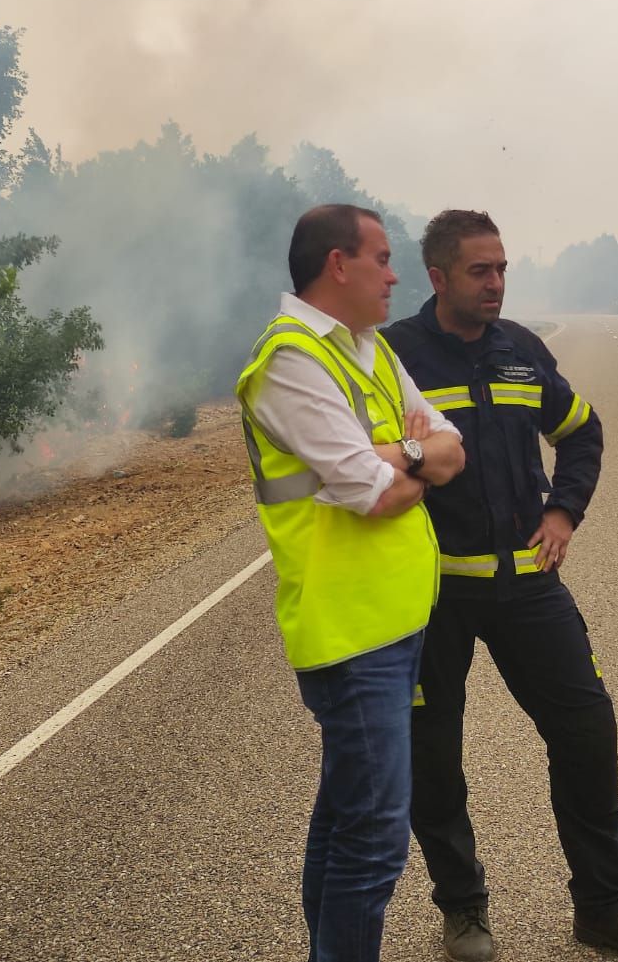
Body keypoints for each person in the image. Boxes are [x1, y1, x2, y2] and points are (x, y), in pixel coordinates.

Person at [382, 210, 618, 962]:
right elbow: (364, 460)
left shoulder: (521, 350)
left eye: (503, 269)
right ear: (439, 276)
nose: (496, 283)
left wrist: (563, 510)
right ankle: (463, 910)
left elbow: (581, 430)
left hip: (529, 588)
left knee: (587, 732)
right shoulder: (393, 359)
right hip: (432, 598)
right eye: (481, 270)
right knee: (433, 757)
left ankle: (606, 907)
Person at [236, 203, 465, 962]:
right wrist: (408, 454)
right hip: (348, 631)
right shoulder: (291, 360)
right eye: (384, 257)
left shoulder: (369, 348)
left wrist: (392, 451)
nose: (396, 274)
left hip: (394, 619)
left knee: (343, 819)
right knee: (373, 839)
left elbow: (451, 446)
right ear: (339, 264)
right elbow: (378, 493)